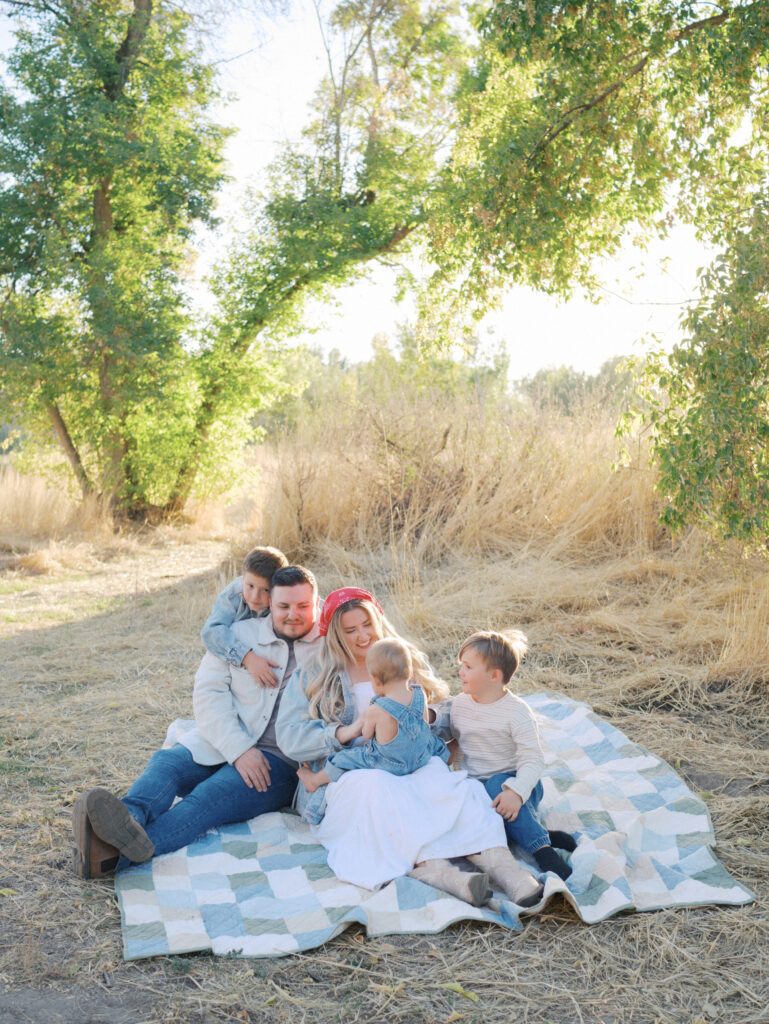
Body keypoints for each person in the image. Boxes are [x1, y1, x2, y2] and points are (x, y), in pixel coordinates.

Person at [276, 588, 544, 908]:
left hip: (409, 760)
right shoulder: (315, 672)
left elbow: (446, 707)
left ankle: (504, 868)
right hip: (355, 769)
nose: (363, 636)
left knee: (457, 788)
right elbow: (289, 736)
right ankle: (440, 873)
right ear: (334, 634)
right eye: (350, 630)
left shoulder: (401, 657)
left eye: (367, 625)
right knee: (377, 788)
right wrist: (347, 731)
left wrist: (425, 716)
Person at [71, 565, 321, 880]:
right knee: (167, 763)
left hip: (279, 762)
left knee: (209, 796)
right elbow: (208, 694)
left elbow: (377, 645)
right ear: (270, 603)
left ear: (317, 603)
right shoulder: (241, 636)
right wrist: (239, 749)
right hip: (224, 740)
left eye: (303, 606)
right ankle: (125, 822)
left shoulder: (329, 648)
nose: (293, 615)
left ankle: (110, 856)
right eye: (284, 606)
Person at [451, 630, 576, 881]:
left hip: (516, 785)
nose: (460, 672)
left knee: (497, 785)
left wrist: (516, 792)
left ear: (494, 676)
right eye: (460, 666)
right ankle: (538, 831)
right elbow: (455, 743)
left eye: (467, 667)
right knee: (465, 809)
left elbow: (533, 759)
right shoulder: (459, 704)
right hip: (477, 786)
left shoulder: (516, 712)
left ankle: (544, 851)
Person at [297, 637, 450, 795]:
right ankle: (449, 757)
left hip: (389, 762)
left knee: (343, 759)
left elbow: (366, 734)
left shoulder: (376, 709)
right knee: (436, 743)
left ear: (375, 680)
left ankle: (314, 781)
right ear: (410, 672)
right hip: (420, 757)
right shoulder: (420, 695)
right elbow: (423, 724)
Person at [201, 545, 289, 689]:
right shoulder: (233, 595)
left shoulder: (285, 597)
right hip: (235, 657)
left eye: (266, 590)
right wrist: (247, 659)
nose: (255, 597)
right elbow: (210, 631)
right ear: (243, 580)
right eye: (250, 586)